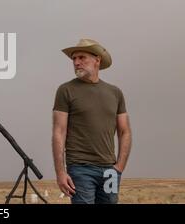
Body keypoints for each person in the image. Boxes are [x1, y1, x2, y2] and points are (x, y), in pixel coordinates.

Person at [52, 38, 132, 204]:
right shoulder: (66, 90)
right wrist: (60, 172)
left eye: (82, 57)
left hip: (110, 170)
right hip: (80, 169)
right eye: (74, 59)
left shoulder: (115, 93)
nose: (76, 62)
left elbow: (125, 132)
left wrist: (119, 168)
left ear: (97, 59)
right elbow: (59, 132)